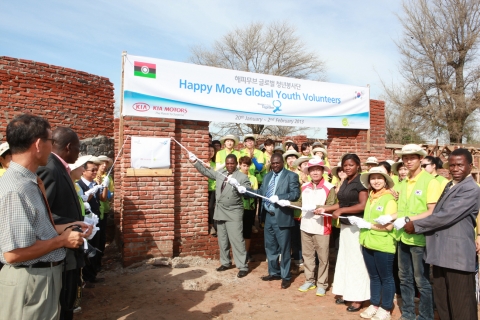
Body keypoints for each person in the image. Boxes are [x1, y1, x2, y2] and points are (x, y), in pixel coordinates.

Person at [0, 114, 88, 319]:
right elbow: (13, 254)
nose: (52, 146)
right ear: (39, 144)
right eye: (50, 141)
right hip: (30, 281)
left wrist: (69, 226)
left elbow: (37, 228)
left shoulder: (28, 181)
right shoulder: (16, 189)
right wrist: (62, 240)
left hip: (40, 278)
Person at [404, 148, 480, 320]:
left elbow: (446, 215)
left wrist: (416, 225)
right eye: (452, 165)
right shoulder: (450, 184)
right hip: (440, 253)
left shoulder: (471, 189)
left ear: (470, 166)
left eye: (460, 165)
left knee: (461, 305)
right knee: (443, 304)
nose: (455, 169)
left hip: (457, 256)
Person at [375, 144, 441, 320]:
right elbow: (403, 211)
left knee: (422, 281)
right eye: (405, 158)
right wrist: (389, 216)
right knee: (404, 278)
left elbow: (431, 211)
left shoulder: (430, 182)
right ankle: (409, 313)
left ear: (420, 159)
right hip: (402, 237)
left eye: (412, 157)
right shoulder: (403, 183)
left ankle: (426, 316)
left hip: (419, 238)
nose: (408, 161)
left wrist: (408, 220)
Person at [36, 127, 85, 320]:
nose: (78, 153)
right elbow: (42, 215)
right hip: (61, 253)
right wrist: (71, 225)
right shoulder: (49, 168)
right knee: (63, 306)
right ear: (69, 147)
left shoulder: (58, 167)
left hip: (69, 251)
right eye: (78, 148)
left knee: (69, 302)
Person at [238, 153, 300, 289]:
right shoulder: (267, 176)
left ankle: (285, 276)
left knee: (284, 248)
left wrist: (279, 196)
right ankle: (274, 272)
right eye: (273, 163)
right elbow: (260, 192)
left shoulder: (291, 176)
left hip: (282, 216)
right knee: (270, 247)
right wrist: (245, 191)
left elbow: (295, 194)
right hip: (268, 217)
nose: (275, 165)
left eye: (277, 163)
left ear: (282, 162)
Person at [319, 153, 369, 312]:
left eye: (351, 165)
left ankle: (358, 298)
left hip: (356, 226)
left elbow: (363, 205)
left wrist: (342, 210)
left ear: (358, 166)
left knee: (356, 262)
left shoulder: (361, 182)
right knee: (345, 260)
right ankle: (346, 292)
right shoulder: (346, 181)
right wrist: (325, 208)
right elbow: (341, 202)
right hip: (346, 227)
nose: (347, 168)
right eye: (345, 165)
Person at [189, 152, 250, 278]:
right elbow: (207, 172)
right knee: (222, 240)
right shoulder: (221, 172)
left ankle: (242, 266)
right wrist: (195, 162)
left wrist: (240, 187)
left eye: (232, 163)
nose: (229, 166)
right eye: (227, 163)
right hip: (220, 210)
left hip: (234, 212)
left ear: (236, 164)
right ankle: (225, 262)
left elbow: (247, 190)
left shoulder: (241, 177)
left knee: (237, 240)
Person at [348, 166, 397, 320]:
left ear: (385, 180)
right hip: (368, 242)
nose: (376, 181)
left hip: (383, 244)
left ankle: (386, 307)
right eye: (373, 178)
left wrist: (368, 225)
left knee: (386, 277)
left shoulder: (389, 199)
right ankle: (375, 303)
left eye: (379, 178)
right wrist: (361, 222)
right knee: (374, 276)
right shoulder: (371, 196)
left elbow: (389, 226)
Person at [290, 159, 336, 297]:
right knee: (307, 255)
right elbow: (300, 203)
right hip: (305, 225)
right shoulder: (304, 187)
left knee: (322, 257)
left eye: (318, 169)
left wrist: (317, 208)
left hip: (322, 227)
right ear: (308, 172)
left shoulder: (329, 187)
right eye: (312, 170)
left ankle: (322, 283)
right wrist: (287, 203)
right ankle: (309, 280)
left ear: (322, 171)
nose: (315, 172)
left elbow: (332, 205)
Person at [77, 159, 108, 287]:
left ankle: (93, 274)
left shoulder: (95, 183)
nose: (95, 172)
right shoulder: (79, 185)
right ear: (83, 171)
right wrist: (92, 190)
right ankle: (87, 277)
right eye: (92, 170)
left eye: (96, 170)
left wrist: (103, 186)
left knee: (97, 245)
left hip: (96, 220)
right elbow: (83, 198)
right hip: (86, 221)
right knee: (88, 249)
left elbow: (102, 198)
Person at [238, 156, 258, 262]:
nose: (246, 168)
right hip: (238, 207)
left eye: (247, 166)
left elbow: (255, 194)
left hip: (249, 208)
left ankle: (246, 253)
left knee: (247, 231)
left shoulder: (253, 178)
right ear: (240, 165)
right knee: (238, 231)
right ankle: (239, 253)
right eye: (244, 165)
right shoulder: (235, 177)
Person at [205, 145, 217, 236]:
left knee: (211, 207)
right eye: (209, 151)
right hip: (205, 188)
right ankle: (210, 225)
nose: (210, 153)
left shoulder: (215, 164)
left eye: (212, 151)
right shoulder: (203, 162)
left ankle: (213, 225)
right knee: (208, 208)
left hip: (213, 188)